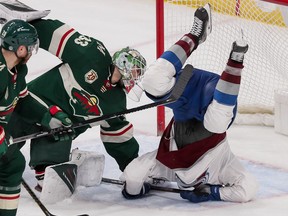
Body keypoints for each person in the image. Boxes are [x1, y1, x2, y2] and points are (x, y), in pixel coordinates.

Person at [0, 0, 147, 192]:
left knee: (52, 175)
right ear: (123, 66)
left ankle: (45, 167)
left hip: (57, 130)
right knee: (5, 152)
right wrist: (27, 27)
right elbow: (58, 35)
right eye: (134, 73)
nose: (134, 79)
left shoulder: (116, 102)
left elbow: (119, 138)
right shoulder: (92, 54)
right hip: (32, 104)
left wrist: (132, 169)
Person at [120, 4, 259, 203]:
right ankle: (236, 61)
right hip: (216, 97)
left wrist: (137, 189)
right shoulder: (222, 168)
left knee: (152, 82)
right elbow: (249, 189)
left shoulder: (167, 168)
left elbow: (132, 176)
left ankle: (195, 35)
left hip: (184, 100)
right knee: (216, 123)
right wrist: (213, 194)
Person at [0, 19, 74, 216]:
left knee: (13, 164)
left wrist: (47, 116)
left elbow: (23, 100)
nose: (32, 53)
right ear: (21, 48)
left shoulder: (16, 70)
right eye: (31, 48)